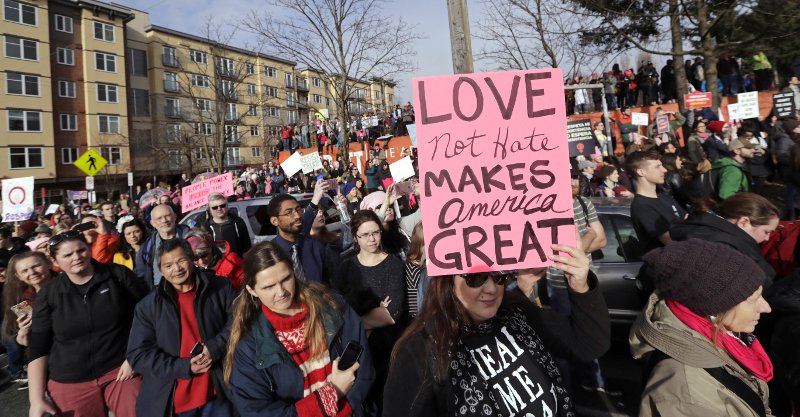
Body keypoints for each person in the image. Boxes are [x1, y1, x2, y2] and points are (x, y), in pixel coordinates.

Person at [383, 242, 611, 417]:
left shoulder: (516, 313)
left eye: (499, 276)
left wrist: (580, 284)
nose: (492, 288)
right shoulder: (419, 352)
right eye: (475, 278)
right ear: (446, 280)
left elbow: (589, 344)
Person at [225, 242, 375, 417]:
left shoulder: (333, 307)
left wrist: (346, 409)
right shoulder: (249, 348)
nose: (281, 292)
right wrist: (332, 394)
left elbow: (364, 371)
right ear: (252, 290)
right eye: (268, 287)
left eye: (286, 279)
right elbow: (256, 411)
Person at [631, 239, 772, 417]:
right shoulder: (684, 394)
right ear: (712, 308)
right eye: (753, 300)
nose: (767, 307)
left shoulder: (724, 335)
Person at [27, 230, 149, 417]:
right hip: (70, 378)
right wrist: (36, 399)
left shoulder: (117, 275)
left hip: (120, 367)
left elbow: (147, 317)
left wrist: (136, 355)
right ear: (55, 261)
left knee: (139, 410)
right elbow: (38, 346)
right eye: (67, 255)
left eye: (81, 250)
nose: (77, 257)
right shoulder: (48, 294)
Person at [126, 238, 235, 417]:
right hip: (174, 397)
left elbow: (238, 321)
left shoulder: (220, 287)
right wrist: (182, 367)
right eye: (168, 265)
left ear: (191, 259)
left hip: (218, 390)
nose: (176, 269)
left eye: (181, 260)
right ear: (160, 270)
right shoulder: (148, 306)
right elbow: (138, 354)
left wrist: (215, 346)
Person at [332, 210, 407, 414]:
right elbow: (336, 310)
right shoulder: (346, 266)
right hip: (357, 354)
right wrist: (374, 315)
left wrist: (355, 322)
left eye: (376, 232)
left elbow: (392, 313)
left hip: (387, 352)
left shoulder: (393, 264)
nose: (372, 239)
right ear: (355, 236)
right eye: (365, 235)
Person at [671, 193, 778, 285]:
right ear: (743, 222)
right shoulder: (725, 248)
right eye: (766, 232)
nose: (767, 238)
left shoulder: (707, 232)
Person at [1, 252, 54, 387]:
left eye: (36, 266)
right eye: (25, 270)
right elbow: (24, 342)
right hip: (49, 359)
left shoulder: (68, 284)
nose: (32, 272)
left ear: (48, 263)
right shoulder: (22, 300)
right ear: (18, 276)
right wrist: (24, 330)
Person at [267, 193, 340, 285]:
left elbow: (332, 283)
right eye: (289, 212)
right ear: (274, 221)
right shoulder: (268, 253)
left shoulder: (316, 246)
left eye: (299, 210)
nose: (297, 216)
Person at [627, 150, 687, 252]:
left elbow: (688, 220)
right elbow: (672, 242)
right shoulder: (642, 207)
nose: (664, 170)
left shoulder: (665, 197)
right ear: (641, 172)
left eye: (662, 165)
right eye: (657, 166)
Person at [135, 204, 191, 287]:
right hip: (161, 292)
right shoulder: (147, 247)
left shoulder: (191, 238)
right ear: (152, 223)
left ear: (175, 217)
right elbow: (141, 274)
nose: (164, 220)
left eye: (167, 216)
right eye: (159, 218)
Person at [198, 192, 252, 257]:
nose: (219, 209)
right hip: (217, 265)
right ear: (210, 210)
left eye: (222, 205)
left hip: (236, 264)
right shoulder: (206, 227)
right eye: (215, 207)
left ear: (227, 206)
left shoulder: (238, 222)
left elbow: (247, 247)